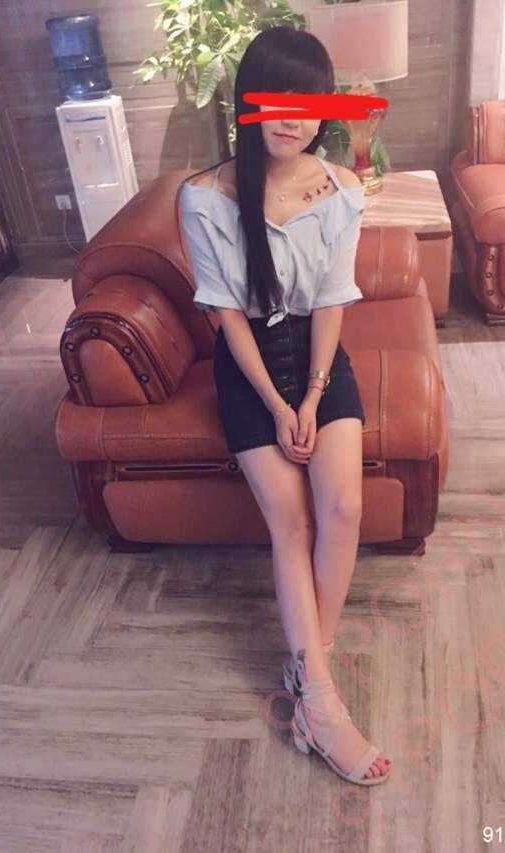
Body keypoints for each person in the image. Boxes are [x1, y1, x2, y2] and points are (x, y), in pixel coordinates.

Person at [179, 25, 391, 786]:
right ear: (248, 103)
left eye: (307, 102)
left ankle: (309, 677)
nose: (290, 117)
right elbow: (226, 315)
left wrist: (314, 391)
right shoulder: (205, 197)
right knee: (292, 518)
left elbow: (331, 300)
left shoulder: (341, 189)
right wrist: (276, 403)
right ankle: (325, 708)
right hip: (249, 369)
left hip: (318, 357)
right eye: (273, 99)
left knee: (344, 508)